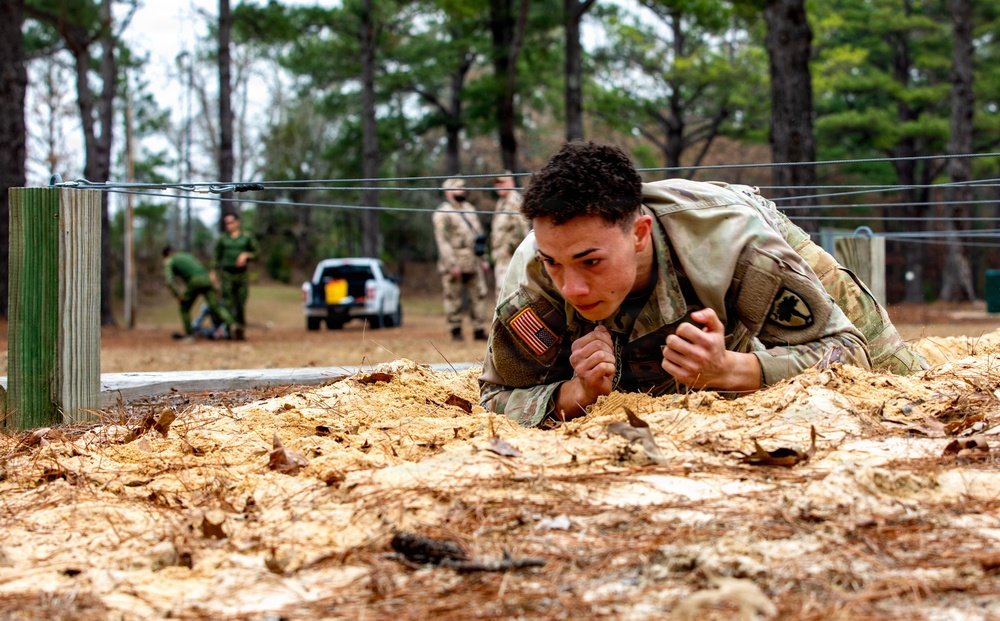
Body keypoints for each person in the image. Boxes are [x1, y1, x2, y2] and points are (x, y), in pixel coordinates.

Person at [479, 141, 924, 428]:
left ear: (638, 235)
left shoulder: (739, 246)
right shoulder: (532, 281)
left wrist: (732, 369)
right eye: (554, 263)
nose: (572, 288)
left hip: (746, 227)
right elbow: (496, 397)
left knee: (901, 376)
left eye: (590, 262)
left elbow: (847, 352)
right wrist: (576, 394)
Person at [433, 177, 490, 341]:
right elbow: (442, 241)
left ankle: (479, 329)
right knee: (453, 297)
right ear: (448, 191)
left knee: (478, 295)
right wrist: (452, 264)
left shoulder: (469, 209)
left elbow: (478, 235)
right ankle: (455, 330)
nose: (462, 191)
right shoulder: (442, 213)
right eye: (458, 188)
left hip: (473, 260)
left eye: (463, 187)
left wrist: (483, 258)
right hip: (455, 260)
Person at [163, 246, 236, 342]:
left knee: (184, 307)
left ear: (166, 255)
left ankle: (189, 335)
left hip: (195, 281)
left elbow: (169, 281)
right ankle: (232, 325)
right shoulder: (186, 255)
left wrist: (177, 295)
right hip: (207, 278)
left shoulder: (169, 260)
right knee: (216, 307)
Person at [212, 212, 258, 341]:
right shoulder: (222, 239)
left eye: (231, 222)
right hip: (227, 274)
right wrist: (213, 272)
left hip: (241, 274)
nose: (228, 225)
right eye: (226, 223)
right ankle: (229, 329)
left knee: (240, 303)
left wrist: (247, 255)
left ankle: (240, 331)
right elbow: (216, 257)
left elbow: (257, 253)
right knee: (227, 303)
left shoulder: (246, 238)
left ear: (237, 222)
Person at [489, 171, 530, 297]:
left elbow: (521, 231)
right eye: (497, 183)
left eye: (502, 182)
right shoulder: (501, 203)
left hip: (511, 257)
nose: (499, 186)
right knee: (501, 293)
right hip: (501, 257)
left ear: (511, 183)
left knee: (507, 294)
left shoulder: (514, 202)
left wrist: (508, 249)